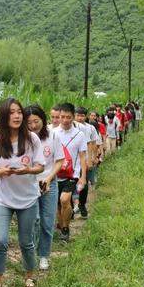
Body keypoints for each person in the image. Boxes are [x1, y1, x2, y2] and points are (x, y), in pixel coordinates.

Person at [0, 98, 45, 287]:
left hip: (28, 198)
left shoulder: (32, 139)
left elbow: (40, 166)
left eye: (19, 112)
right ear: (4, 116)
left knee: (26, 242)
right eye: (12, 112)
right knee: (0, 241)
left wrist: (27, 170)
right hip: (2, 198)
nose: (16, 116)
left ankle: (29, 277)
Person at [25, 104, 64, 271]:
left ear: (43, 119)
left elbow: (59, 160)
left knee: (47, 221)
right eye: (29, 123)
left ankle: (44, 256)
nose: (33, 126)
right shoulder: (23, 138)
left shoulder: (53, 136)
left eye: (36, 121)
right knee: (33, 221)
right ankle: (30, 254)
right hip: (29, 184)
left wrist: (48, 178)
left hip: (49, 183)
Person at [55, 103, 88, 242]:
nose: (65, 120)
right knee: (57, 204)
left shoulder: (80, 135)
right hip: (55, 174)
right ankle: (62, 225)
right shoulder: (53, 133)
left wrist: (83, 177)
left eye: (68, 117)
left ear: (73, 117)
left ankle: (65, 228)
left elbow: (82, 157)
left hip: (72, 174)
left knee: (64, 200)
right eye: (62, 117)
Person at [74, 107, 97, 219]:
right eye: (78, 115)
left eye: (82, 115)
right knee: (71, 183)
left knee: (84, 183)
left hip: (83, 159)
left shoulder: (87, 128)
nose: (79, 118)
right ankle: (71, 208)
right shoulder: (68, 126)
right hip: (71, 162)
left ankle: (81, 204)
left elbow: (90, 144)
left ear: (85, 116)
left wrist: (91, 159)